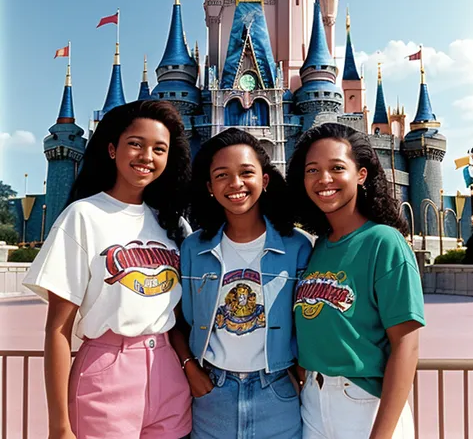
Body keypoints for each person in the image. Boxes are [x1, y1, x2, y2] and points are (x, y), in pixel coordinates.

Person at [24, 100, 193, 439]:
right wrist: (59, 426)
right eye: (136, 144)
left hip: (169, 372)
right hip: (106, 372)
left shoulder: (173, 225)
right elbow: (58, 329)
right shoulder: (83, 216)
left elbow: (179, 314)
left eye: (159, 149)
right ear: (113, 149)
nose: (147, 156)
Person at [286, 122, 425, 439]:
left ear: (361, 174)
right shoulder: (318, 246)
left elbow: (406, 344)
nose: (323, 179)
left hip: (364, 405)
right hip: (313, 402)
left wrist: (382, 435)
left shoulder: (384, 242)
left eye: (337, 168)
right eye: (312, 170)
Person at [178, 128, 312, 439]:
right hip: (212, 395)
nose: (235, 184)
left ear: (264, 180)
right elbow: (178, 319)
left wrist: (298, 372)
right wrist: (191, 370)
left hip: (277, 394)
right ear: (210, 186)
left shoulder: (297, 247)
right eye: (222, 175)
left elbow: (308, 320)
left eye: (246, 172)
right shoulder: (194, 248)